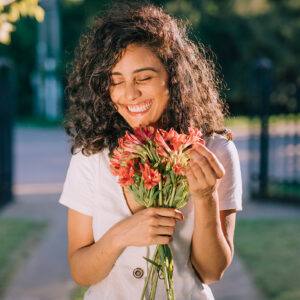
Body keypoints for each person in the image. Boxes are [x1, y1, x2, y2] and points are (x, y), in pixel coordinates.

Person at [58, 1, 243, 299]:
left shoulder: (215, 150)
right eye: (115, 82)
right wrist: (121, 234)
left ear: (174, 77)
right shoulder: (91, 155)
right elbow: (80, 272)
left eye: (143, 78)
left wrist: (206, 197)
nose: (129, 94)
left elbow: (211, 271)